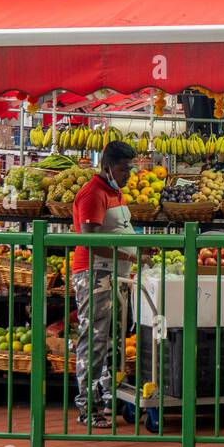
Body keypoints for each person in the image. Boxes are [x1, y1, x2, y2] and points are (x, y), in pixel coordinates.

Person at [71, 140, 138, 427]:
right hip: (95, 275)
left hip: (117, 274)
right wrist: (128, 254)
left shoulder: (115, 193)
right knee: (95, 339)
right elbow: (90, 240)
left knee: (115, 338)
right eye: (124, 169)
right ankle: (88, 406)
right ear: (107, 166)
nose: (128, 174)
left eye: (130, 168)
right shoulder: (92, 193)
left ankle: (109, 394)